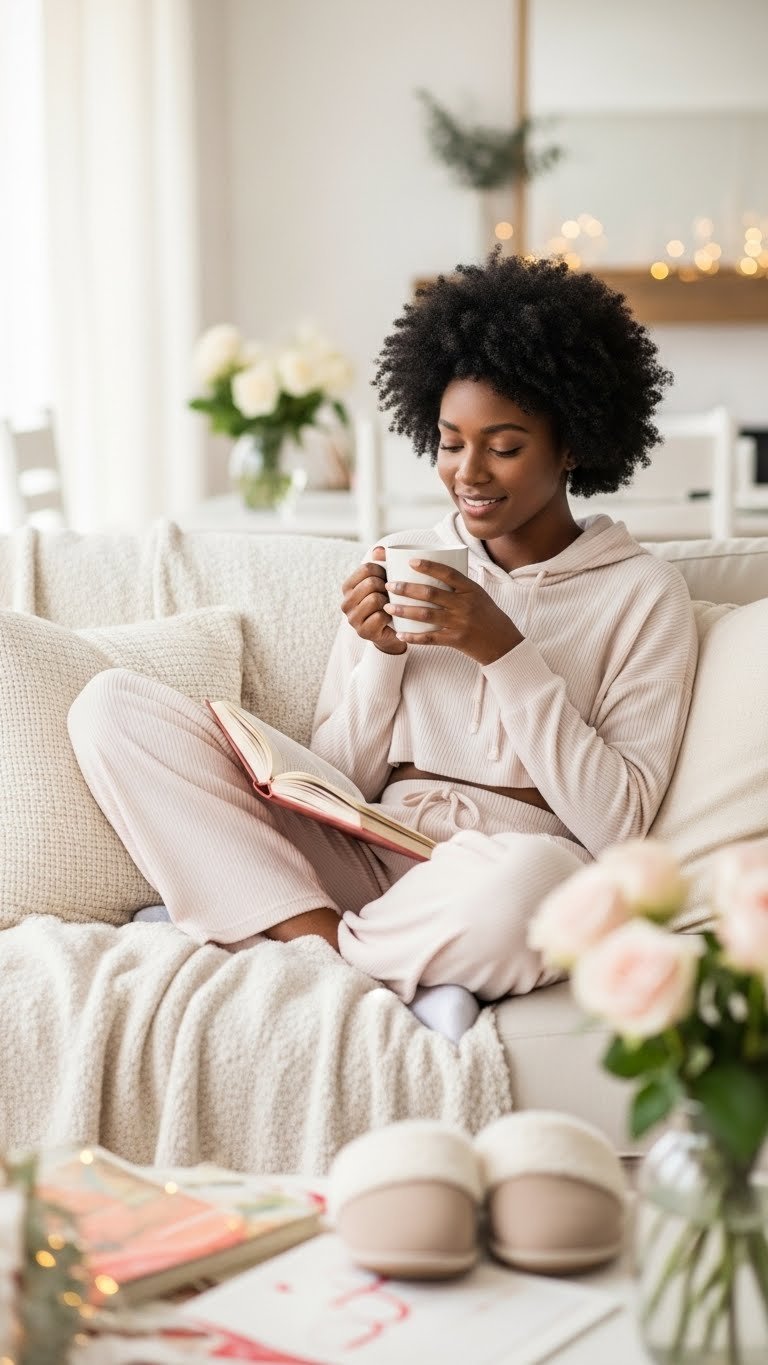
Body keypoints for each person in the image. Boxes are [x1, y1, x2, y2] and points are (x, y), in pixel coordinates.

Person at [68, 253, 697, 1023]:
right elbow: (342, 782)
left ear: (572, 445)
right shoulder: (401, 557)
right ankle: (353, 950)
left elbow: (620, 825)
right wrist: (379, 658)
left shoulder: (643, 595)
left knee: (536, 891)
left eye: (503, 446)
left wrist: (504, 650)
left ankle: (266, 925)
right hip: (369, 847)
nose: (469, 472)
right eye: (449, 441)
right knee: (110, 707)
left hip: (503, 870)